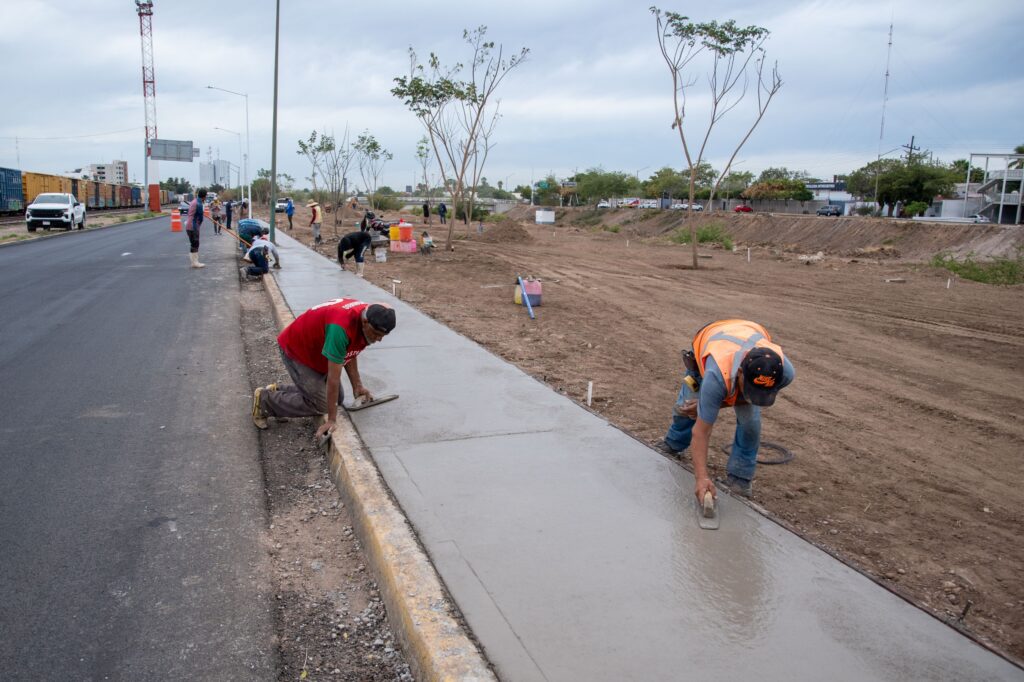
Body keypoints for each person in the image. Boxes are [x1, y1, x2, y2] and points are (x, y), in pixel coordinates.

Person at [662, 319, 795, 501]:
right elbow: (701, 433)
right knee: (686, 408)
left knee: (750, 424)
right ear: (740, 373)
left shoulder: (784, 372)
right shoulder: (714, 376)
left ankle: (740, 478)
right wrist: (702, 479)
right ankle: (673, 443)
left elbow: (743, 398)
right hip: (713, 341)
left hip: (745, 332)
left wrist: (720, 404)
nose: (750, 397)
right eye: (749, 389)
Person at [251, 299, 396, 438]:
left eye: (382, 336)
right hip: (298, 351)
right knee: (322, 405)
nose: (379, 339)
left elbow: (350, 351)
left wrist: (357, 386)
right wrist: (331, 420)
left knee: (337, 399)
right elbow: (333, 378)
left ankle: (278, 391)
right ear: (365, 322)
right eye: (376, 334)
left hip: (318, 352)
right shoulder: (341, 327)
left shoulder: (369, 313)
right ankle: (265, 401)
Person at [185, 188, 208, 268]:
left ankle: (194, 262)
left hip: (189, 225)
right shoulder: (199, 203)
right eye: (206, 196)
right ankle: (195, 263)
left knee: (193, 244)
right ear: (204, 196)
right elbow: (200, 219)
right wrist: (198, 227)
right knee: (195, 244)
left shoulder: (194, 201)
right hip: (193, 226)